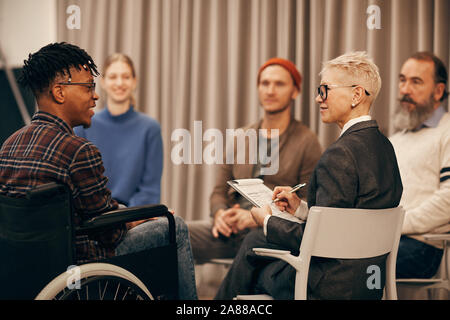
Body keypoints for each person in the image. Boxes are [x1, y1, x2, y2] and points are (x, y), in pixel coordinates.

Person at [0, 42, 197, 299]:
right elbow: (109, 233)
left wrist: (125, 215)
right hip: (80, 264)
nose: (95, 95)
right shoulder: (78, 149)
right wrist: (136, 218)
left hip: (26, 269)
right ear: (60, 92)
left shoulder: (8, 145)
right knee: (175, 226)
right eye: (88, 87)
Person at [215, 51, 403, 300]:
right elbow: (345, 218)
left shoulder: (339, 154)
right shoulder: (385, 147)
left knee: (254, 264)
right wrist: (301, 209)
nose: (317, 98)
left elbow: (320, 240)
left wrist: (267, 221)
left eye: (325, 90)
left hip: (325, 286)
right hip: (367, 284)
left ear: (356, 95)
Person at [187, 58, 322, 263]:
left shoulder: (307, 141)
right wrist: (219, 215)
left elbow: (307, 205)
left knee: (253, 243)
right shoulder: (241, 136)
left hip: (269, 234)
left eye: (279, 84)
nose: (270, 90)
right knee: (174, 233)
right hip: (230, 231)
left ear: (295, 91)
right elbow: (218, 192)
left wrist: (255, 218)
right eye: (265, 83)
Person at [74, 53, 163, 207]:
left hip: (134, 216)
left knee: (175, 224)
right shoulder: (83, 126)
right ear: (103, 82)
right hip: (96, 216)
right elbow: (79, 186)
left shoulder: (150, 129)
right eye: (113, 77)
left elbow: (150, 190)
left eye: (126, 77)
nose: (120, 83)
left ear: (134, 82)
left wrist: (125, 217)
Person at [390, 52, 450, 279]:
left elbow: (448, 199)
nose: (405, 89)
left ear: (438, 91)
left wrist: (397, 225)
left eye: (416, 82)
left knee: (345, 267)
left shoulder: (447, 131)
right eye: (402, 80)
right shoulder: (395, 140)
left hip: (421, 248)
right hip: (386, 238)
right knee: (324, 257)